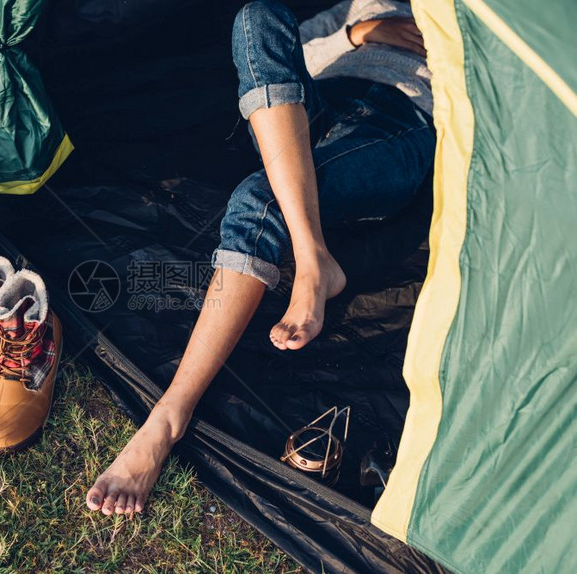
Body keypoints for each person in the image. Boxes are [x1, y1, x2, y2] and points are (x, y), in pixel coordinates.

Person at [86, 0, 436, 516]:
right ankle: (313, 253)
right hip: (310, 111)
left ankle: (166, 418)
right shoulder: (361, 5)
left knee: (259, 197)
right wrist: (359, 33)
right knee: (257, 17)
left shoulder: (476, 14)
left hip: (399, 120)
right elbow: (301, 50)